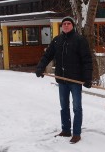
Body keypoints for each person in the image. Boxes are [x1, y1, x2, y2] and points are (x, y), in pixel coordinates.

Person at [36, 16, 93, 144]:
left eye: (68, 23)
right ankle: (66, 130)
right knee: (64, 107)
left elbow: (87, 60)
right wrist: (40, 67)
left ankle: (76, 133)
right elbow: (47, 55)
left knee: (77, 107)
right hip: (62, 81)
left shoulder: (80, 40)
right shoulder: (57, 40)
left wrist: (87, 78)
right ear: (62, 26)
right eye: (64, 24)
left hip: (75, 80)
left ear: (73, 26)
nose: (66, 25)